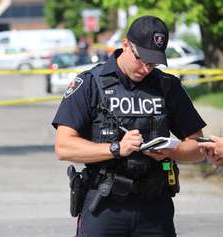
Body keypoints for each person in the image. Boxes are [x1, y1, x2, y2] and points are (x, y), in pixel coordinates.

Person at [52, 15, 206, 237]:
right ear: (126, 45)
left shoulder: (167, 86)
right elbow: (63, 147)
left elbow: (198, 147)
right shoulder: (90, 83)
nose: (146, 68)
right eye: (141, 59)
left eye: (153, 63)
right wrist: (115, 149)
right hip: (104, 205)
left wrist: (172, 151)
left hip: (155, 206)